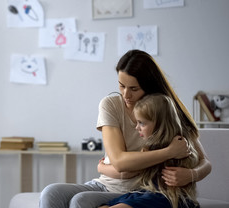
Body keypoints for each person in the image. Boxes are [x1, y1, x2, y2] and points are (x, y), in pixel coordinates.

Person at [39, 49, 211, 208]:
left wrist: (190, 175)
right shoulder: (111, 105)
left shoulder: (166, 111)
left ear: (149, 86)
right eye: (121, 85)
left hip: (139, 190)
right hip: (105, 183)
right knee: (51, 192)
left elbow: (204, 162)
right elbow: (120, 162)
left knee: (81, 201)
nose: (126, 95)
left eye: (134, 89)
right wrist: (169, 152)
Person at [99, 94, 200, 208]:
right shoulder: (149, 149)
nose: (137, 128)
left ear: (159, 124)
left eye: (141, 123)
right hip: (144, 193)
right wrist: (101, 168)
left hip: (167, 198)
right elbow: (128, 171)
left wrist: (101, 167)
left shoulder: (181, 147)